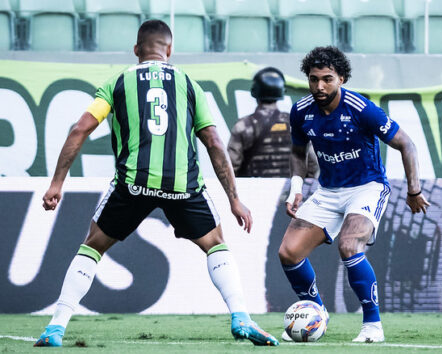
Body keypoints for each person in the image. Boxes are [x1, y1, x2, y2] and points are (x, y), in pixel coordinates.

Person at [34, 20, 278, 347]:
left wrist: (56, 184)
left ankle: (56, 327)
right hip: (183, 185)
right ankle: (241, 317)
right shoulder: (190, 85)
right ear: (170, 50)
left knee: (92, 246)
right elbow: (215, 143)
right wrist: (234, 199)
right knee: (216, 244)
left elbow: (79, 129)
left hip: (133, 182)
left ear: (137, 50)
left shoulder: (117, 83)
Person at [278, 46, 430, 343]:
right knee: (288, 252)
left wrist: (415, 190)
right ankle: (317, 312)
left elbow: (406, 144)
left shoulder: (362, 109)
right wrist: (296, 188)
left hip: (367, 187)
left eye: (327, 79)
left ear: (342, 79)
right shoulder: (301, 111)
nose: (319, 86)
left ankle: (373, 324)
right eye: (313, 79)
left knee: (349, 245)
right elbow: (298, 152)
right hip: (329, 190)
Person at [227, 67, 318, 178]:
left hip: (254, 192)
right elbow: (313, 164)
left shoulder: (243, 126)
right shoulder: (296, 124)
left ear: (255, 92)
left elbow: (230, 167)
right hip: (289, 191)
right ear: (281, 92)